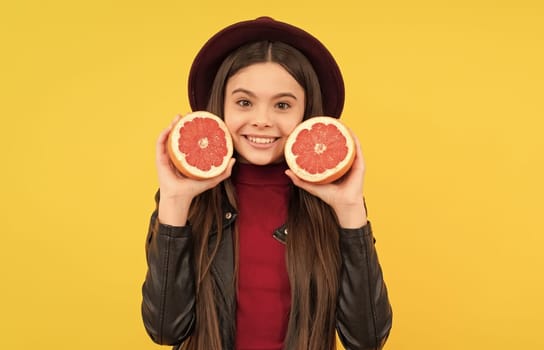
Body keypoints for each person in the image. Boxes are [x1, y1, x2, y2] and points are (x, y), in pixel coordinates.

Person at [141, 17, 393, 350]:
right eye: (244, 102)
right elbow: (165, 330)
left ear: (307, 116)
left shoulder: (333, 207)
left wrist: (350, 210)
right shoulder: (186, 204)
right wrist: (173, 203)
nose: (262, 119)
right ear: (220, 105)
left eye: (283, 105)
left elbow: (367, 338)